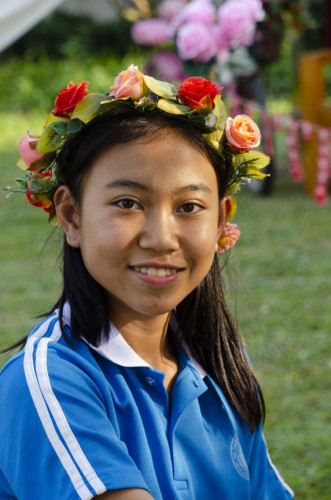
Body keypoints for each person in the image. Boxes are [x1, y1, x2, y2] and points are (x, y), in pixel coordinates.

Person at [0, 65, 293, 500]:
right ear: (71, 216)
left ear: (221, 221)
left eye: (190, 206)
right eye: (127, 202)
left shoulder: (222, 360)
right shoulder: (47, 381)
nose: (160, 239)